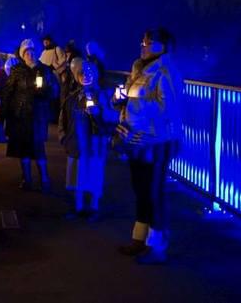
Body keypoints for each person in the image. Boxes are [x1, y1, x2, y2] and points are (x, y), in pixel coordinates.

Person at [114, 28, 182, 265]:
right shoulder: (139, 69)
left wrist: (140, 115)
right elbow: (134, 103)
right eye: (142, 40)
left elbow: (169, 110)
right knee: (141, 189)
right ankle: (140, 239)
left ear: (162, 46)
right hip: (136, 140)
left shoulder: (166, 71)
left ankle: (157, 245)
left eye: (149, 42)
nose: (143, 45)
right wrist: (122, 109)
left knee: (154, 192)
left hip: (157, 141)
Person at [1, 39, 59, 192]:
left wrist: (44, 91)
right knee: (23, 149)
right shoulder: (17, 71)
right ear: (22, 54)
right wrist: (2, 119)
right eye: (27, 52)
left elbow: (54, 92)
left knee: (38, 148)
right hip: (20, 117)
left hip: (37, 117)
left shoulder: (44, 70)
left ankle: (44, 179)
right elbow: (8, 94)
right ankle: (27, 179)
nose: (30, 54)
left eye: (32, 51)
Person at [59, 59, 113, 221]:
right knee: (77, 175)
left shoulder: (101, 95)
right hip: (77, 142)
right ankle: (79, 206)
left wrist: (98, 114)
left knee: (94, 173)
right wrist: (64, 138)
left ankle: (94, 207)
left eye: (89, 73)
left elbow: (110, 118)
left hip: (94, 144)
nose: (85, 76)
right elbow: (64, 118)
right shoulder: (73, 97)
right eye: (82, 73)